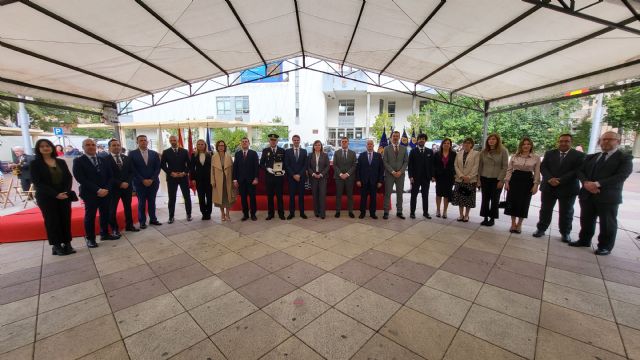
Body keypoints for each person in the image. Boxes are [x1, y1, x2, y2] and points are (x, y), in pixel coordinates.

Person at [569, 131, 633, 255]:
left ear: (618, 142)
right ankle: (584, 240)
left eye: (610, 139)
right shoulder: (592, 156)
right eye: (603, 139)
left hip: (608, 197)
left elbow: (621, 176)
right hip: (587, 194)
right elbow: (580, 171)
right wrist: (586, 183)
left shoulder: (624, 158)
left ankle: (605, 246)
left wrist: (597, 184)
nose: (605, 142)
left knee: (607, 223)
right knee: (586, 219)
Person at [533, 134, 584, 242]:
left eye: (567, 141)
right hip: (549, 186)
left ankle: (565, 233)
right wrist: (550, 178)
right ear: (558, 142)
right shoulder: (550, 153)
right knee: (545, 210)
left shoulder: (579, 155)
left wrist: (560, 180)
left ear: (571, 143)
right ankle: (541, 229)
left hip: (568, 188)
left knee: (566, 212)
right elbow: (543, 167)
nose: (563, 143)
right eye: (561, 141)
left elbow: (577, 171)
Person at [30, 139, 74, 255]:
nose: (45, 148)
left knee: (65, 219)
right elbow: (38, 183)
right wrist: (55, 194)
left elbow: (68, 178)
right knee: (52, 221)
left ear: (52, 147)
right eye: (42, 146)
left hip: (64, 195)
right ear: (38, 149)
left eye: (48, 146)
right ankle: (56, 245)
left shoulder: (60, 162)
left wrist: (65, 192)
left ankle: (67, 243)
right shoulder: (35, 164)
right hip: (46, 197)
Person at [72, 138, 117, 248]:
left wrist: (106, 189)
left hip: (105, 193)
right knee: (90, 216)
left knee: (105, 214)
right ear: (83, 147)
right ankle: (90, 239)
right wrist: (97, 190)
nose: (91, 146)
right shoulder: (78, 161)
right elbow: (81, 178)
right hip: (90, 193)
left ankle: (105, 234)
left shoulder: (103, 159)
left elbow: (110, 176)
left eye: (93, 144)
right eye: (88, 145)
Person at [504, 137, 541, 234]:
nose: (526, 146)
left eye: (528, 144)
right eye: (524, 144)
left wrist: (536, 185)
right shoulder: (514, 156)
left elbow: (537, 172)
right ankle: (513, 224)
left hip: (527, 182)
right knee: (513, 202)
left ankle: (519, 224)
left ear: (531, 146)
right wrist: (507, 182)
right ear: (521, 145)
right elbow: (509, 170)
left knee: (524, 203)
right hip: (514, 180)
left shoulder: (536, 157)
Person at [105, 138, 138, 233]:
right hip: (113, 189)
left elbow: (131, 172)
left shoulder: (126, 158)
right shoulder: (105, 160)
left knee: (128, 207)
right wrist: (120, 183)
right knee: (112, 209)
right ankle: (115, 229)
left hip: (127, 188)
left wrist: (127, 182)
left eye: (118, 145)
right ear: (109, 147)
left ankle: (129, 225)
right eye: (114, 145)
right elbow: (107, 175)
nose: (116, 147)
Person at [128, 135, 162, 229]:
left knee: (152, 201)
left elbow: (158, 168)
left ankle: (153, 219)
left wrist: (151, 179)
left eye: (145, 140)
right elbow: (132, 169)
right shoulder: (132, 154)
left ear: (147, 142)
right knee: (141, 203)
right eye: (141, 140)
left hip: (153, 182)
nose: (143, 142)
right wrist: (142, 180)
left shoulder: (154, 154)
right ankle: (142, 221)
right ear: (137, 142)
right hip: (140, 183)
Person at [478, 133, 509, 227]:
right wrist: (479, 179)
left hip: (496, 179)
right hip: (485, 178)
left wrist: (501, 180)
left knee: (495, 200)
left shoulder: (503, 151)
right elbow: (480, 166)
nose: (491, 141)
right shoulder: (484, 151)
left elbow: (505, 167)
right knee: (485, 199)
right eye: (490, 139)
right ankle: (485, 217)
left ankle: (492, 218)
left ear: (497, 141)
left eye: (494, 139)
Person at [161, 135, 192, 223]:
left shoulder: (184, 151)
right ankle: (171, 217)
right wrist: (171, 173)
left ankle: (189, 214)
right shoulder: (166, 152)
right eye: (171, 140)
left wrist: (184, 173)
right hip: (172, 178)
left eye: (174, 140)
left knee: (187, 196)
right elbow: (163, 165)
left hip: (183, 177)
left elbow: (189, 165)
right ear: (169, 141)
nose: (173, 141)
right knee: (172, 198)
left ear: (177, 141)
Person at [451, 138, 479, 222]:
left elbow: (476, 166)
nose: (466, 144)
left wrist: (469, 177)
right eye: (465, 143)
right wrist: (461, 175)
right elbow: (455, 165)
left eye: (468, 143)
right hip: (460, 179)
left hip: (470, 180)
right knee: (460, 198)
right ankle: (460, 215)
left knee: (468, 198)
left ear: (471, 144)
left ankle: (466, 215)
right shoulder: (459, 153)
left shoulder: (476, 154)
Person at [382, 131, 409, 219]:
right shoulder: (386, 148)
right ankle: (386, 212)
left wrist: (400, 171)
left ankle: (399, 211)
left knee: (400, 194)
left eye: (397, 136)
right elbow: (385, 162)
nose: (395, 137)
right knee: (387, 193)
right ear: (391, 137)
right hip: (390, 175)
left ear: (399, 137)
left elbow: (406, 161)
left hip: (400, 175)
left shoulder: (404, 149)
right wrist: (393, 172)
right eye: (394, 136)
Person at [408, 133, 434, 219]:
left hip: (426, 178)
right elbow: (410, 165)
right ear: (417, 140)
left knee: (425, 195)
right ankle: (412, 212)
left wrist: (432, 176)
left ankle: (425, 212)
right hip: (415, 178)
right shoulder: (413, 151)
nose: (421, 140)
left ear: (425, 140)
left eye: (423, 139)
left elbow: (432, 165)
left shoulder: (430, 152)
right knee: (413, 195)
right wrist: (410, 176)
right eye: (420, 139)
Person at [260, 134, 286, 220]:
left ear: (277, 141)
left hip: (279, 177)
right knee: (270, 197)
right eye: (271, 140)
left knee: (279, 196)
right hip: (269, 178)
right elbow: (261, 164)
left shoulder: (282, 150)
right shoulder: (265, 150)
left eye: (275, 140)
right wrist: (267, 169)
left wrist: (284, 170)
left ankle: (281, 213)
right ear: (269, 141)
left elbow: (285, 163)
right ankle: (270, 214)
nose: (273, 141)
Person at [356, 139, 384, 219]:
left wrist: (380, 181)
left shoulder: (378, 156)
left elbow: (381, 170)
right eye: (368, 144)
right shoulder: (361, 155)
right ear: (366, 146)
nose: (370, 145)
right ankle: (362, 213)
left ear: (373, 145)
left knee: (373, 198)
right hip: (363, 181)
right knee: (363, 198)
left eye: (371, 144)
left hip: (374, 181)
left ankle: (372, 213)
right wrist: (358, 180)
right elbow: (358, 169)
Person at [233, 137, 259, 221]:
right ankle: (245, 214)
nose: (244, 143)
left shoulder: (253, 153)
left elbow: (256, 167)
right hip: (241, 181)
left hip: (251, 181)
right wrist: (235, 180)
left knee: (252, 198)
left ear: (249, 143)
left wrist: (256, 178)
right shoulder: (237, 154)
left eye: (246, 142)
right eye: (243, 142)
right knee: (243, 199)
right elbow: (235, 168)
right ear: (241, 143)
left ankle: (253, 214)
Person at [284, 134, 308, 219]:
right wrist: (294, 175)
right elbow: (287, 165)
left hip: (301, 177)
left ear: (300, 141)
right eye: (294, 140)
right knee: (292, 196)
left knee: (301, 196)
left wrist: (299, 175)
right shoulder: (287, 151)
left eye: (297, 140)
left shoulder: (304, 151)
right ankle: (292, 213)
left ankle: (302, 213)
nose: (296, 141)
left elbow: (305, 165)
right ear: (292, 141)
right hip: (291, 177)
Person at [333, 137, 357, 218]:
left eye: (345, 141)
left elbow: (354, 165)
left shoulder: (353, 153)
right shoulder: (336, 153)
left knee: (350, 196)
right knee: (338, 195)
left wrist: (347, 174)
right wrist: (340, 174)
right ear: (340, 143)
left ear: (348, 143)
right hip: (339, 178)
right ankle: (337, 211)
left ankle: (350, 211)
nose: (344, 143)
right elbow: (334, 165)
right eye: (342, 141)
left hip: (349, 178)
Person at [212, 140, 235, 221]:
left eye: (222, 145)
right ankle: (222, 214)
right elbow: (212, 171)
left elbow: (233, 169)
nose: (221, 147)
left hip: (227, 180)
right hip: (218, 181)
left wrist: (233, 180)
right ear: (217, 147)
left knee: (228, 198)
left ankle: (228, 214)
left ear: (225, 147)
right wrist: (213, 181)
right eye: (219, 146)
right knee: (220, 198)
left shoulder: (228, 156)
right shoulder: (214, 157)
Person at [433, 138, 456, 219]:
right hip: (439, 177)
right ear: (442, 144)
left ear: (450, 145)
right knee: (438, 194)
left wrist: (455, 175)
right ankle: (438, 210)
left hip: (449, 177)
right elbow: (434, 166)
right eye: (445, 143)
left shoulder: (454, 154)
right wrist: (433, 176)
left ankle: (445, 211)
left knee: (447, 195)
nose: (446, 144)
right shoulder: (436, 154)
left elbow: (455, 166)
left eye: (448, 143)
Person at [190, 139, 213, 220]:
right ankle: (203, 213)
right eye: (199, 144)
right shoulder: (194, 155)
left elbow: (213, 167)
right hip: (198, 179)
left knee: (209, 197)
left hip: (209, 179)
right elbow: (192, 168)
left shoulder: (210, 154)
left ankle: (209, 213)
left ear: (205, 145)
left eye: (202, 144)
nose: (200, 146)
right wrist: (192, 178)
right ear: (197, 145)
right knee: (201, 197)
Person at [308, 140, 330, 219]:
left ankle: (322, 213)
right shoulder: (310, 155)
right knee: (315, 195)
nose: (317, 146)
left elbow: (327, 166)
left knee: (322, 195)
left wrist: (321, 174)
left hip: (322, 177)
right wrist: (313, 174)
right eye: (316, 145)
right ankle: (316, 212)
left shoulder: (325, 155)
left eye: (319, 145)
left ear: (321, 146)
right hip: (313, 177)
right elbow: (308, 167)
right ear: (313, 146)